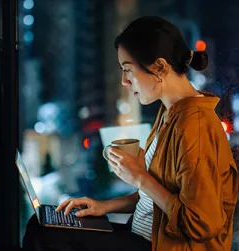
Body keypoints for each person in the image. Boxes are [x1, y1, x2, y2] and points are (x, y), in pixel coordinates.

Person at [23, 16, 238, 251]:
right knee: (43, 223)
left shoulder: (194, 126)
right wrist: (104, 206)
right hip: (143, 234)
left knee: (46, 236)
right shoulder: (170, 113)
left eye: (128, 70)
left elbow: (202, 224)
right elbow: (156, 197)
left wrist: (139, 177)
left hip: (159, 245)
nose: (125, 81)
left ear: (159, 68)